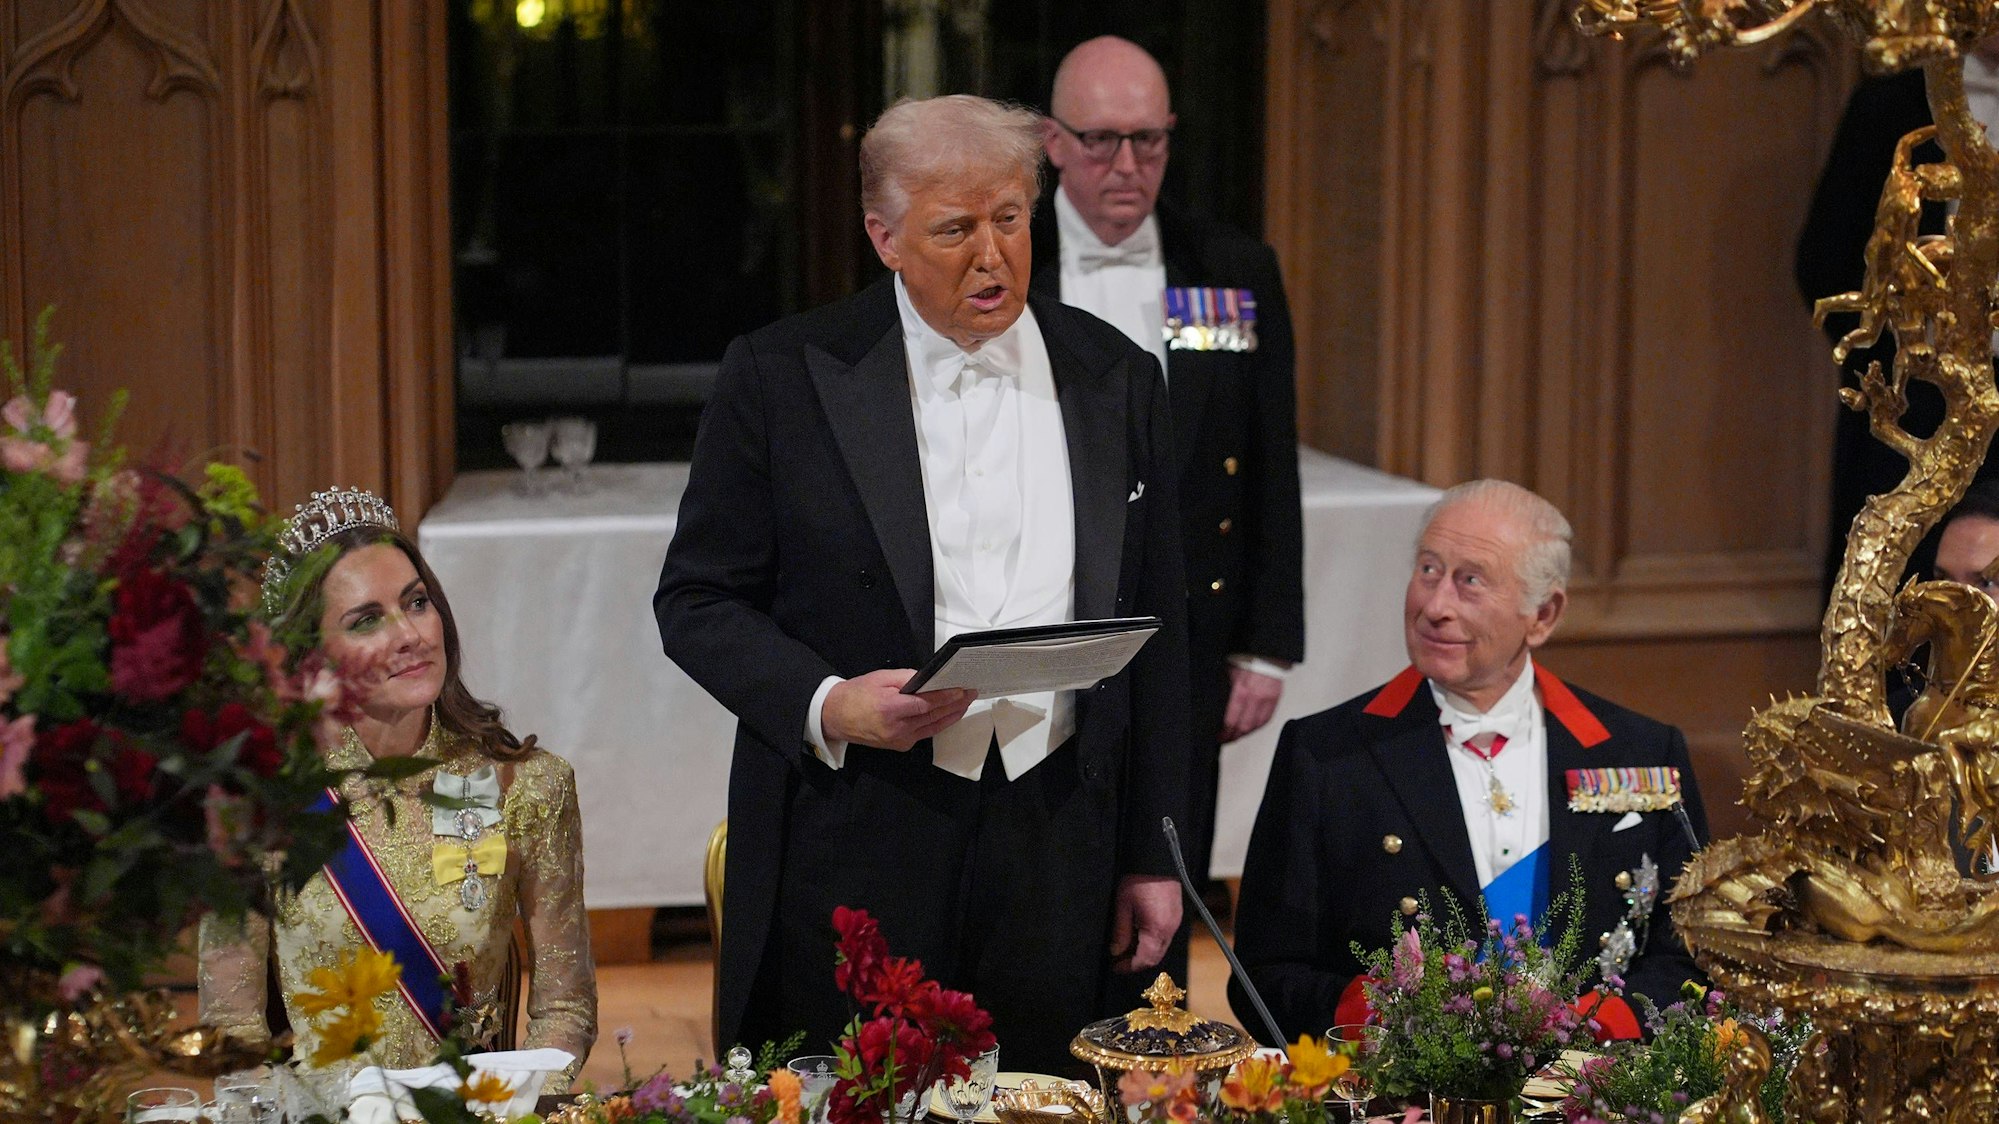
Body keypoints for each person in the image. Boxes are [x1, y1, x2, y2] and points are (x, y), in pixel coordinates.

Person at [654, 94, 1191, 1074]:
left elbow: (1164, 631)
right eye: (953, 229)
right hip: (864, 828)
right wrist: (828, 703)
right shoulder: (781, 376)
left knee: (1050, 1091)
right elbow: (696, 602)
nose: (991, 256)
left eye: (1010, 219)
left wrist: (1158, 852)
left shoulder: (1116, 376)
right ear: (883, 235)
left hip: (1061, 828)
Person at [1230, 480, 1708, 1043]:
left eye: (1470, 581)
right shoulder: (1327, 757)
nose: (1435, 607)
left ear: (1544, 615)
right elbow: (1263, 976)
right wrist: (1392, 1019)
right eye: (1428, 570)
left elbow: (1689, 958)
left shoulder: (1643, 752)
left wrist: (1591, 1032)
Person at [1031, 35, 1304, 917]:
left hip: (1187, 616)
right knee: (1044, 868)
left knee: (1164, 868)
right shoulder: (1005, 263)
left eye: (1148, 141)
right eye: (1102, 139)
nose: (1126, 165)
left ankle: (1159, 1054)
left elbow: (1266, 457)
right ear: (1052, 142)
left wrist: (1265, 646)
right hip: (1038, 605)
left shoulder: (1228, 268)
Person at [199, 488, 597, 1085]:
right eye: (365, 621)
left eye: (416, 602)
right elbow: (232, 1030)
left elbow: (564, 1009)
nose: (409, 634)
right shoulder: (257, 802)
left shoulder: (526, 786)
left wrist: (511, 1108)